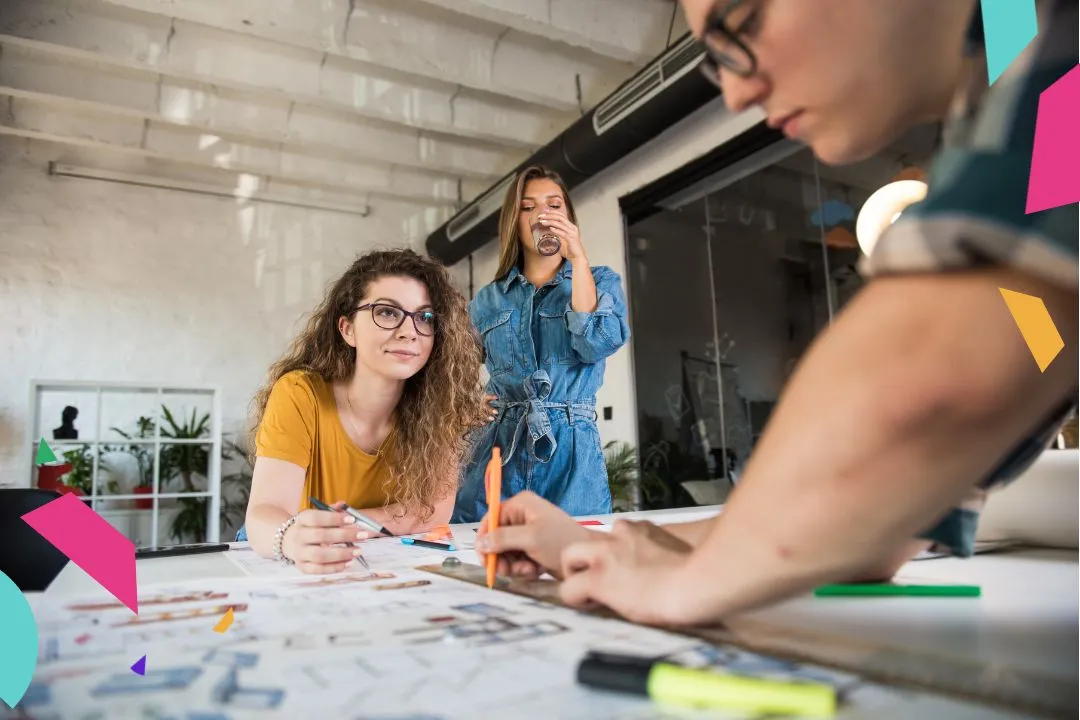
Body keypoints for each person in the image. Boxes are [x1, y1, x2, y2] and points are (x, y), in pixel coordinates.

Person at [476, 0, 1077, 625]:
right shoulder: (1022, 94)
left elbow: (933, 374)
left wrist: (690, 582)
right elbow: (883, 512)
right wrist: (608, 550)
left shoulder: (1057, 64)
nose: (736, 92)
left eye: (742, 24)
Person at [240, 249, 486, 574]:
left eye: (425, 317)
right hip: (292, 561)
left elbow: (433, 512)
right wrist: (290, 538)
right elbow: (264, 513)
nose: (409, 331)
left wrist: (349, 523)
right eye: (386, 312)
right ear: (347, 329)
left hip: (375, 565)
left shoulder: (441, 404)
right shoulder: (300, 394)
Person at [451, 165, 631, 523]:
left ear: (568, 217)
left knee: (575, 561)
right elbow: (450, 370)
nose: (542, 215)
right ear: (514, 221)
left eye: (553, 205)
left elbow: (595, 344)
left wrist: (578, 258)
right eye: (528, 207)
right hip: (500, 448)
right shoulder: (488, 300)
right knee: (485, 558)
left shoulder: (599, 281)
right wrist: (467, 402)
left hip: (572, 455)